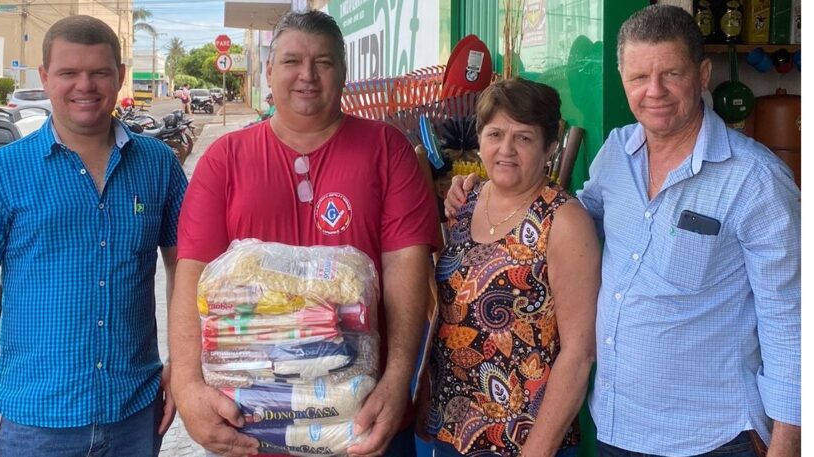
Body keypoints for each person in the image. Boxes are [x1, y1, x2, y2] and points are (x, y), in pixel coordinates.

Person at [445, 5, 801, 457]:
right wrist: (484, 192)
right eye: (638, 77)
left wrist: (788, 444)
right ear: (621, 77)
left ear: (703, 73)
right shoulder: (617, 153)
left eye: (671, 73)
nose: (654, 91)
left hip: (713, 437)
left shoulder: (754, 179)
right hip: (619, 427)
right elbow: (563, 220)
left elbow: (790, 321)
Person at [169, 9, 440, 457]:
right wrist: (188, 387)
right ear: (270, 71)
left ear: (344, 73)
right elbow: (192, 275)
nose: (307, 76)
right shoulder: (225, 159)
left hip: (364, 413)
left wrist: (397, 379)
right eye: (292, 61)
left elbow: (405, 271)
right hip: (252, 417)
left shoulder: (387, 150)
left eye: (324, 62)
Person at [0, 15, 187, 456]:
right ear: (45, 77)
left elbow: (187, 267)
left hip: (135, 417)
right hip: (34, 425)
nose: (85, 85)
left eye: (100, 72)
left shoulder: (159, 166)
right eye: (68, 73)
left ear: (119, 77)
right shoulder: (0, 174)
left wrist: (183, 363)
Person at [422, 78, 599, 457]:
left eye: (524, 138)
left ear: (550, 147)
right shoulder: (466, 200)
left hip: (527, 439)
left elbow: (580, 352)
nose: (506, 150)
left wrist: (538, 449)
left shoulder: (563, 221)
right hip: (454, 431)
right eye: (495, 134)